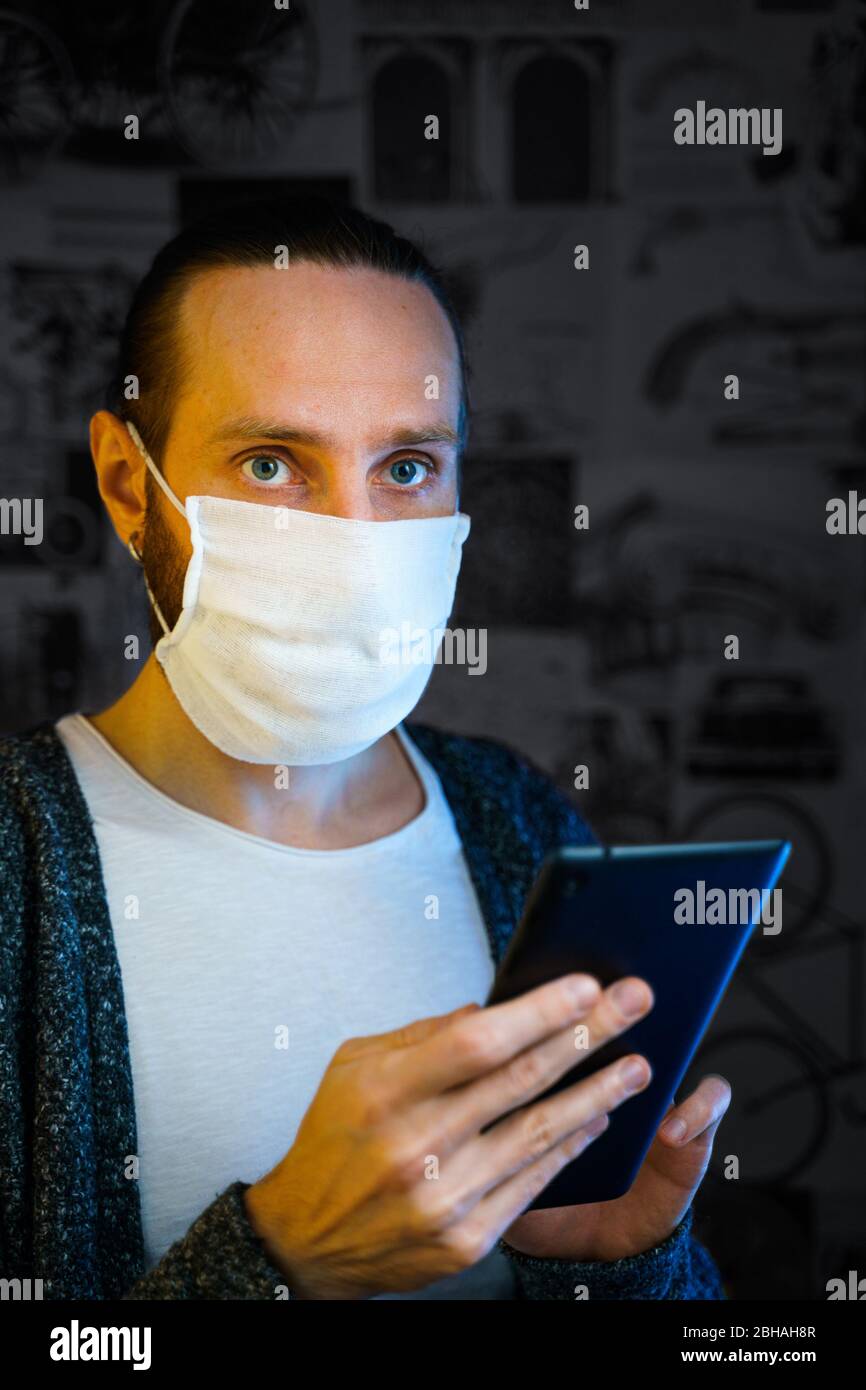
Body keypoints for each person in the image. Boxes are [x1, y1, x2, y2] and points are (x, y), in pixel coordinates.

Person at [0, 197, 730, 1300]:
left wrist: (626, 1265)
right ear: (124, 485)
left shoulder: (519, 821)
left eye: (403, 469)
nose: (350, 546)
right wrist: (279, 1256)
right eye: (268, 464)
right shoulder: (18, 870)